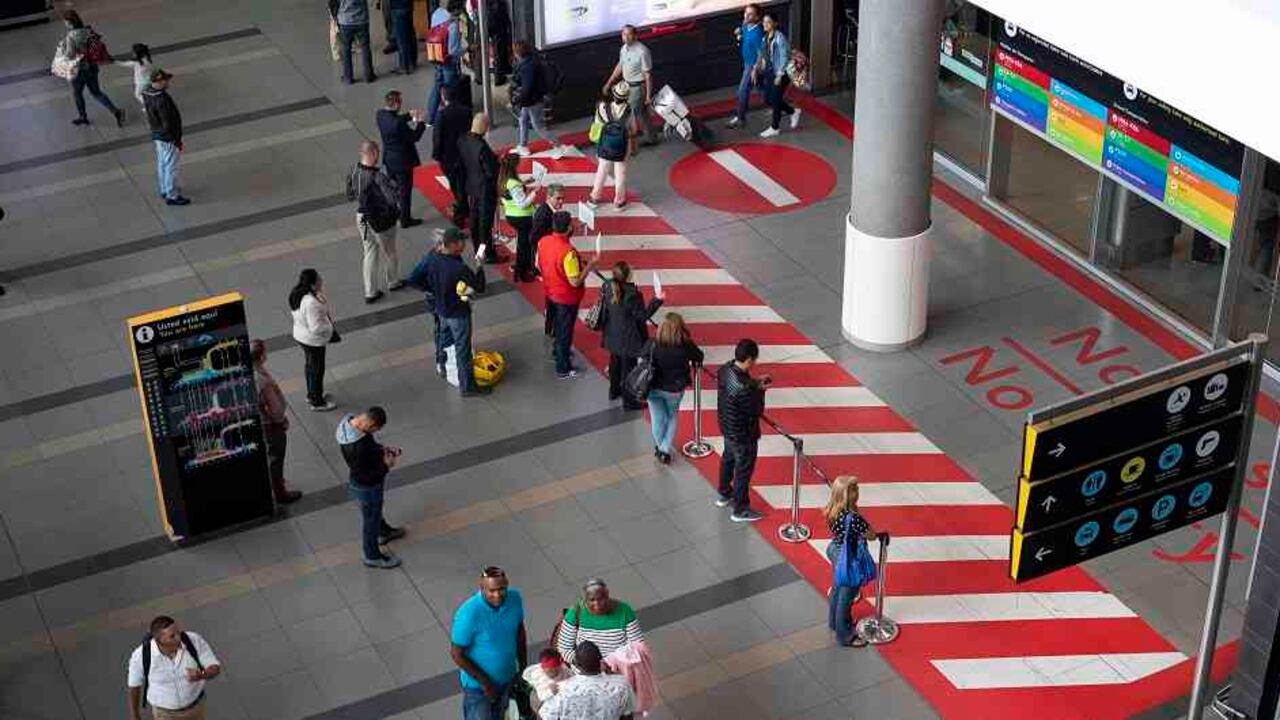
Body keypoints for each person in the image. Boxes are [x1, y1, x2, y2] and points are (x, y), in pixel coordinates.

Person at [411, 227, 491, 396]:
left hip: (440, 309)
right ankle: (467, 387)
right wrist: (480, 265)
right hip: (458, 313)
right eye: (461, 241)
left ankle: (441, 365)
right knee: (463, 349)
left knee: (443, 338)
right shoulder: (458, 267)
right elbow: (480, 286)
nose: (464, 244)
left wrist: (431, 289)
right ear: (453, 244)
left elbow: (414, 278)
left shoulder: (432, 258)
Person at [451, 566, 528, 720]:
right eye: (491, 590)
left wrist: (523, 665)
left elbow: (519, 630)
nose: (497, 595)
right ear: (482, 588)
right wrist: (486, 684)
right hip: (478, 689)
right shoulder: (468, 613)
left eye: (501, 589)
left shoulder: (515, 598)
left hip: (508, 678)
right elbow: (457, 654)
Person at [336, 407, 406, 569]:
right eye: (376, 430)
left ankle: (383, 531)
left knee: (375, 513)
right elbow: (366, 476)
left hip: (366, 482)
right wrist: (386, 465)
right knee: (370, 520)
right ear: (371, 425)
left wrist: (383, 450)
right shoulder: (357, 448)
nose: (375, 433)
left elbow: (370, 445)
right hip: (366, 487)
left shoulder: (351, 421)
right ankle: (372, 555)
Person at [126, 616, 221, 720]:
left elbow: (215, 667)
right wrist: (135, 716)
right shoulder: (141, 656)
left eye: (178, 632)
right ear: (158, 641)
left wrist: (201, 675)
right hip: (165, 714)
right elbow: (134, 686)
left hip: (196, 709)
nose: (179, 638)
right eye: (172, 636)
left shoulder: (193, 640)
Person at [537, 211, 595, 379]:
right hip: (566, 298)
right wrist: (589, 266)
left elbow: (540, 264)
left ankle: (557, 352)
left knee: (557, 326)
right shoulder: (568, 252)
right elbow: (575, 282)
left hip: (550, 291)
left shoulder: (543, 241)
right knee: (565, 331)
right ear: (568, 227)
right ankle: (563, 367)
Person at [716, 338, 769, 522]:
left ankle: (724, 493)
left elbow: (738, 384)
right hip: (743, 435)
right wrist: (760, 391)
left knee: (727, 460)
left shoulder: (725, 369)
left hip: (727, 427)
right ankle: (740, 509)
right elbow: (756, 410)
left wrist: (754, 383)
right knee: (743, 471)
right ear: (749, 360)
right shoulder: (745, 389)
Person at [346, 141, 405, 303]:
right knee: (390, 251)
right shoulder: (378, 176)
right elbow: (392, 200)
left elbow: (350, 195)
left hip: (362, 217)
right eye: (377, 152)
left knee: (369, 251)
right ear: (372, 153)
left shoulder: (353, 170)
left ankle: (370, 292)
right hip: (381, 220)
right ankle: (393, 281)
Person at [599, 261, 663, 410]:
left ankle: (613, 391)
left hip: (612, 334)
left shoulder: (607, 286)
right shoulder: (632, 294)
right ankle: (629, 402)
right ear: (627, 276)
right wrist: (657, 301)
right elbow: (642, 316)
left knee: (615, 364)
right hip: (628, 338)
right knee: (629, 371)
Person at [824, 475, 877, 647]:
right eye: (855, 489)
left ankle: (833, 622)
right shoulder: (853, 518)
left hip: (835, 549)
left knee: (838, 589)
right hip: (849, 557)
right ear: (848, 495)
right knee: (846, 597)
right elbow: (871, 535)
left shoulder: (831, 509)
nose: (858, 492)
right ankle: (844, 635)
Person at [646, 313, 704, 464]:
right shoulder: (685, 345)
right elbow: (699, 356)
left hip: (652, 388)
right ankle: (664, 448)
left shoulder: (653, 343)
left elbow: (641, 357)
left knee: (657, 418)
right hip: (674, 389)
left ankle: (660, 448)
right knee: (672, 416)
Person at [251, 340, 302, 505]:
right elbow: (275, 409)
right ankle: (280, 492)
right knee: (276, 457)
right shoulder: (262, 380)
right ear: (261, 356)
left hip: (258, 421)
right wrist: (281, 421)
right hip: (270, 425)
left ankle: (275, 481)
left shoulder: (250, 371)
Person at [59, 10, 126, 128]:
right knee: (96, 92)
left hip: (79, 70)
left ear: (69, 23)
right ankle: (116, 111)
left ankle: (83, 116)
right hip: (92, 67)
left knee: (77, 93)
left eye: (65, 22)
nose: (65, 24)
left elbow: (70, 55)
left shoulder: (71, 37)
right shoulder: (88, 30)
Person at [538, 641, 635, 720]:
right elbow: (628, 715)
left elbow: (543, 716)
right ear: (600, 661)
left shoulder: (561, 690)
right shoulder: (622, 684)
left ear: (576, 664)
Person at [555, 578, 644, 662]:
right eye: (592, 600)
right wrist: (586, 665)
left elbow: (638, 646)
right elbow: (564, 648)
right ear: (585, 600)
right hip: (586, 671)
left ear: (607, 595)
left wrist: (615, 664)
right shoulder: (575, 612)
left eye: (601, 598)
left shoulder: (624, 611)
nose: (597, 604)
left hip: (618, 670)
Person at [376, 90, 427, 229]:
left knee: (393, 188)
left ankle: (393, 211)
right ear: (397, 103)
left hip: (389, 159)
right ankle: (405, 219)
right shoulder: (399, 125)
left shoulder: (380, 115)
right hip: (403, 162)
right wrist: (421, 123)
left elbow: (395, 120)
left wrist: (409, 115)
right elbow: (415, 136)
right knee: (405, 191)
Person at [288, 269, 338, 411]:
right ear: (312, 284)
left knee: (310, 366)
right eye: (318, 279)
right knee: (317, 369)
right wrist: (330, 328)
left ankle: (312, 394)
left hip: (301, 335)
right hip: (312, 340)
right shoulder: (310, 303)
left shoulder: (297, 294)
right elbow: (316, 327)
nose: (321, 280)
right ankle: (317, 401)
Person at [602, 25, 655, 147]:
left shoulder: (642, 51)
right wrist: (609, 83)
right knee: (642, 114)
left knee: (629, 115)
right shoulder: (623, 49)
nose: (625, 37)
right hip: (626, 86)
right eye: (623, 34)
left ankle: (628, 145)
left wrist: (648, 96)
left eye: (628, 34)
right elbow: (620, 66)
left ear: (635, 36)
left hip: (638, 87)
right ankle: (651, 138)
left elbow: (648, 75)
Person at [142, 69, 189, 206]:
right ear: (159, 81)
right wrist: (175, 138)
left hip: (157, 134)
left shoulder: (147, 93)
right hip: (167, 137)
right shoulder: (162, 99)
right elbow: (168, 121)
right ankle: (172, 195)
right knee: (171, 166)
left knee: (162, 163)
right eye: (165, 80)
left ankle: (164, 188)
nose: (168, 82)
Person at [509, 41, 564, 157]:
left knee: (538, 127)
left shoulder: (527, 67)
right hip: (532, 99)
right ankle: (522, 145)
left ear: (517, 53)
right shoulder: (531, 61)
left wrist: (517, 100)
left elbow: (527, 88)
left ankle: (558, 145)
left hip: (533, 101)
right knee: (522, 120)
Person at [458, 112, 499, 262]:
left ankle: (478, 248)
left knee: (475, 220)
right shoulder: (482, 147)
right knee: (485, 224)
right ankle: (487, 253)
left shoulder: (462, 140)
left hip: (471, 186)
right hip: (485, 190)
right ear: (484, 127)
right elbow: (491, 171)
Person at [587, 83, 635, 211]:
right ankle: (619, 202)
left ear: (613, 95)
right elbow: (634, 130)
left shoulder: (602, 108)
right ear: (626, 97)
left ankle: (594, 198)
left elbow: (597, 126)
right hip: (623, 147)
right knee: (621, 173)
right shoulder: (629, 110)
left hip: (605, 145)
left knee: (602, 170)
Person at [433, 82, 474, 226]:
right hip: (464, 153)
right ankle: (464, 207)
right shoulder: (467, 111)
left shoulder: (442, 115)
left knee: (456, 184)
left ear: (444, 97)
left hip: (448, 157)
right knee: (462, 181)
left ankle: (460, 212)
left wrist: (437, 155)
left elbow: (438, 138)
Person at [755, 12, 799, 138]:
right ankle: (793, 111)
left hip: (781, 73)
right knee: (768, 99)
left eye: (768, 22)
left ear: (775, 24)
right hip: (770, 71)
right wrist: (760, 66)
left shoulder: (780, 38)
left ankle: (775, 127)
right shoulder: (765, 38)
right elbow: (764, 54)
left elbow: (784, 57)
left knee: (775, 99)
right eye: (764, 22)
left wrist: (780, 75)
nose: (765, 24)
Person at [531, 183, 565, 346]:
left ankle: (550, 325)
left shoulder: (548, 212)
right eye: (558, 198)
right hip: (546, 259)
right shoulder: (544, 215)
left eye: (562, 198)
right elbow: (534, 238)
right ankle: (551, 326)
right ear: (548, 197)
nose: (561, 202)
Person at [497, 152, 537, 282]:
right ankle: (522, 271)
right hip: (522, 217)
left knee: (522, 243)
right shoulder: (514, 184)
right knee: (524, 245)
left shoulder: (503, 179)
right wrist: (534, 193)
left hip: (511, 215)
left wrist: (524, 183)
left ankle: (520, 267)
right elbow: (522, 204)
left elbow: (510, 193)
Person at [427, 0, 466, 124]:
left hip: (436, 56)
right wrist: (467, 49)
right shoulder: (452, 25)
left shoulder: (437, 13)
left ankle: (430, 117)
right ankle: (451, 117)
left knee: (437, 86)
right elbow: (453, 51)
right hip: (448, 62)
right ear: (457, 10)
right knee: (450, 90)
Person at [726, 4, 764, 129]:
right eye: (745, 13)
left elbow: (761, 53)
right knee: (764, 90)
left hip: (752, 66)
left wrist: (754, 69)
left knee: (742, 91)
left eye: (750, 14)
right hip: (747, 62)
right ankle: (781, 107)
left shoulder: (758, 33)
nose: (746, 16)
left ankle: (740, 118)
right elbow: (741, 32)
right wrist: (738, 33)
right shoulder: (745, 24)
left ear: (757, 17)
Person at [330, 0, 377, 84]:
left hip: (345, 21)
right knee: (365, 47)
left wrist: (335, 16)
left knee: (346, 49)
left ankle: (348, 77)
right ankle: (368, 75)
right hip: (362, 19)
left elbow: (333, 3)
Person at [115, 42, 153, 107]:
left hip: (141, 83)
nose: (132, 53)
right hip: (149, 80)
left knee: (138, 95)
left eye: (133, 52)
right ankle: (150, 104)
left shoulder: (136, 63)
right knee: (147, 93)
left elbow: (124, 64)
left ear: (137, 54)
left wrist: (114, 61)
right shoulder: (147, 59)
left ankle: (148, 105)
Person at [485, 0, 513, 86]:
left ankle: (502, 72)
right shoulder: (499, 4)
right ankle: (499, 77)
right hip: (498, 29)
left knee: (499, 52)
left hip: (493, 28)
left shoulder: (488, 4)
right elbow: (504, 17)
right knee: (499, 54)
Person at [387, 0, 417, 74]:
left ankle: (404, 66)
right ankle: (412, 62)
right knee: (409, 35)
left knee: (401, 39)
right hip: (408, 5)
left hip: (398, 7)